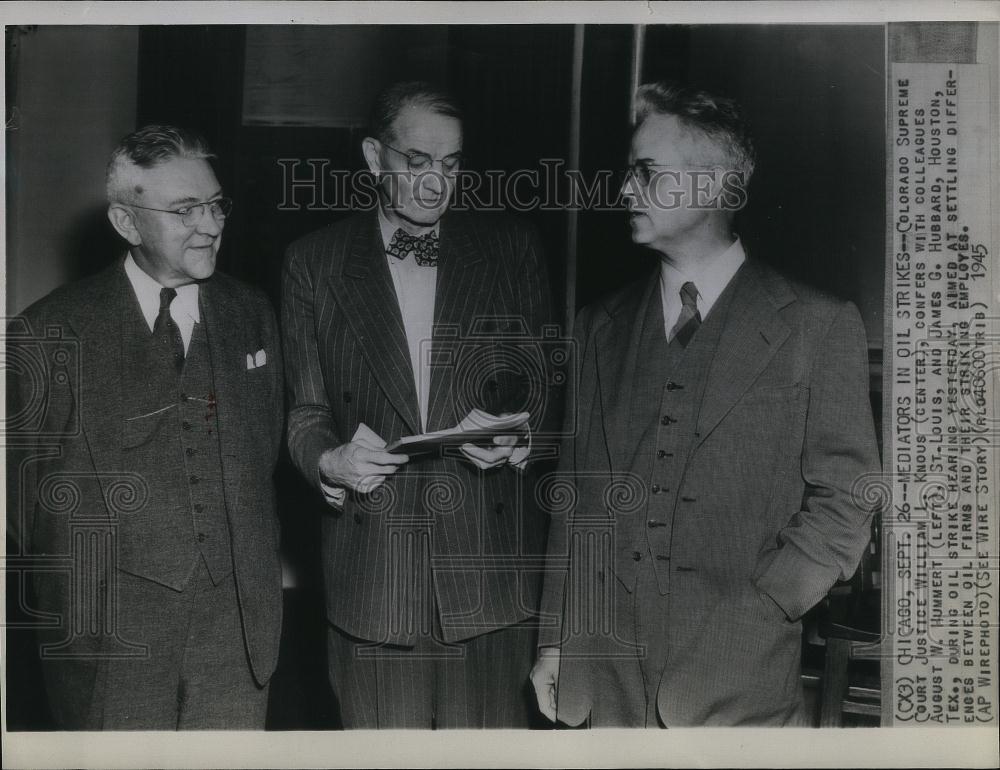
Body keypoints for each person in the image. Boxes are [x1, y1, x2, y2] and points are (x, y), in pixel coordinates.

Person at [530, 82, 880, 727]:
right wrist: (554, 639)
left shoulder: (816, 325)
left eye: (646, 173)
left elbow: (848, 493)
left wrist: (771, 603)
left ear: (714, 185)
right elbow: (574, 496)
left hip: (739, 686)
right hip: (601, 683)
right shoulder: (595, 326)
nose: (624, 191)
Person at [281, 81, 557, 728]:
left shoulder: (511, 250)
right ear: (376, 158)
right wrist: (330, 460)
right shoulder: (312, 264)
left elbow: (549, 388)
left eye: (452, 164)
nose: (436, 183)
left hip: (491, 575)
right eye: (417, 161)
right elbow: (305, 413)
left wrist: (521, 438)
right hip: (375, 581)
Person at [5, 125, 284, 729]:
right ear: (127, 224)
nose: (210, 225)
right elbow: (21, 510)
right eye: (185, 210)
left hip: (235, 633)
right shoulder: (49, 333)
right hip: (110, 641)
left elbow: (264, 454)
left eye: (215, 204)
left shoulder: (252, 313)